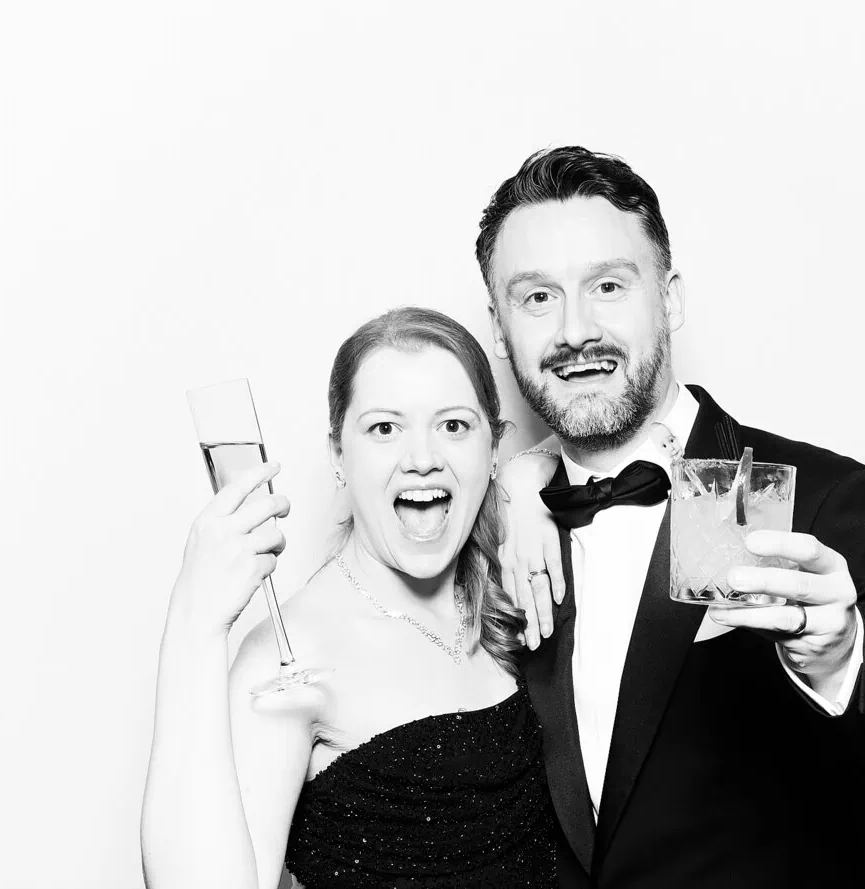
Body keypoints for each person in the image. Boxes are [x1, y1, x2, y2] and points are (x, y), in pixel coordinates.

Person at [480, 147, 865, 887]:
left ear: (670, 300)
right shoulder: (496, 527)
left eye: (608, 286)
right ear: (499, 330)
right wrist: (513, 481)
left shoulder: (820, 502)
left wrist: (843, 661)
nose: (575, 329)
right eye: (536, 298)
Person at [140, 307, 557, 889]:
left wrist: (531, 472)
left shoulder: (519, 589)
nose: (422, 458)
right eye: (384, 428)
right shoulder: (290, 657)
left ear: (494, 449)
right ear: (339, 455)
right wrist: (194, 622)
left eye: (453, 426)